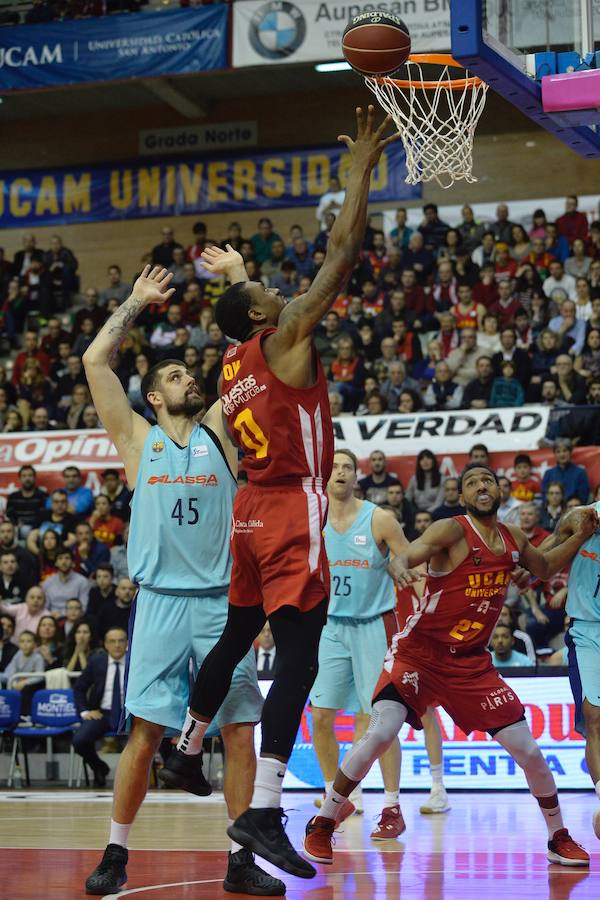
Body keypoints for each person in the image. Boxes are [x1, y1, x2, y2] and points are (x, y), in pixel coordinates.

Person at [160, 106, 398, 882]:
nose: (270, 282)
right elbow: (343, 252)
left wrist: (233, 279)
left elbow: (240, 316)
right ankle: (263, 808)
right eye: (263, 286)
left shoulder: (233, 367)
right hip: (294, 505)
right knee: (296, 654)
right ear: (266, 317)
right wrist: (359, 171)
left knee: (235, 638)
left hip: (248, 512)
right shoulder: (288, 330)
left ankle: (187, 742)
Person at [81, 266, 275, 897]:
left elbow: (262, 343)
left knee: (241, 728)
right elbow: (94, 359)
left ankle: (240, 860)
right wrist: (136, 302)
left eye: (189, 372)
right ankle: (116, 851)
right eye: (173, 376)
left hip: (222, 604)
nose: (189, 377)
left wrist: (242, 278)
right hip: (161, 604)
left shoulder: (220, 432)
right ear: (154, 399)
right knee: (146, 732)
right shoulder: (137, 440)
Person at [303, 463, 594, 867]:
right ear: (462, 496)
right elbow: (409, 553)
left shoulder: (512, 537)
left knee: (528, 750)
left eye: (487, 479)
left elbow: (543, 568)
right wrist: (401, 564)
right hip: (419, 654)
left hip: (471, 664)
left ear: (499, 488)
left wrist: (580, 535)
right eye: (471, 482)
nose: (480, 486)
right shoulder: (451, 530)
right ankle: (324, 821)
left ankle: (557, 835)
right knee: (380, 731)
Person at [310, 449, 405, 838]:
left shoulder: (378, 517)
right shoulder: (312, 518)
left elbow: (410, 557)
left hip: (373, 624)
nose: (341, 472)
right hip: (330, 626)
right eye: (334, 467)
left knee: (379, 720)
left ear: (357, 476)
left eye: (348, 467)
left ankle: (392, 805)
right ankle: (338, 798)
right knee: (320, 716)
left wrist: (400, 564)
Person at [562, 488, 600, 838]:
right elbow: (565, 524)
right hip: (587, 631)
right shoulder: (588, 517)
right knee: (594, 718)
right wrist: (573, 521)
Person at [72, 628, 129, 787]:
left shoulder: (135, 661)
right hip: (103, 713)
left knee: (153, 736)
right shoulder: (97, 662)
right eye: (112, 641)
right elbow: (79, 688)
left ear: (127, 643)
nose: (117, 645)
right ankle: (99, 767)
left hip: (130, 714)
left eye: (121, 641)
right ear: (105, 644)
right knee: (80, 740)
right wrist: (85, 711)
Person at [42, 547, 90, 617]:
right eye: (60, 558)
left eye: (67, 558)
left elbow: (83, 608)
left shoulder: (82, 582)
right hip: (52, 619)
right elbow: (44, 607)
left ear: (73, 563)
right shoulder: (47, 583)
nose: (64, 562)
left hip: (74, 619)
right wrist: (51, 615)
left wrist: (62, 614)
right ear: (56, 563)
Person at [5, 465, 48, 537]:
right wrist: (16, 523)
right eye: (24, 476)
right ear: (20, 479)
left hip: (37, 530)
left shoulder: (43, 496)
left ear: (34, 478)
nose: (27, 478)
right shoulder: (13, 497)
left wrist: (33, 526)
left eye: (30, 475)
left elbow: (44, 516)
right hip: (17, 529)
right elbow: (10, 514)